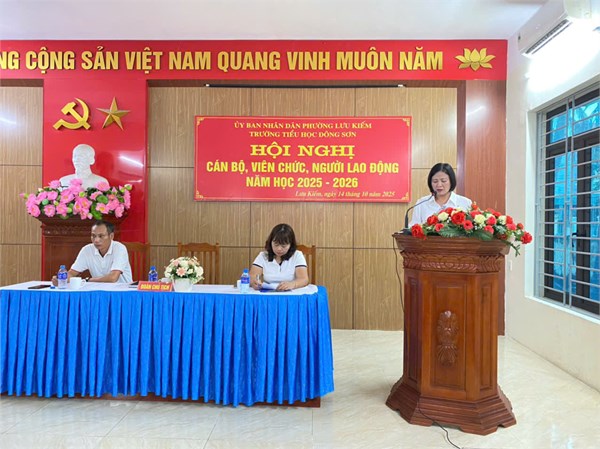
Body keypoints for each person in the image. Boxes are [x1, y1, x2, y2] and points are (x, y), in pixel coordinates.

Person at [52, 220, 132, 285]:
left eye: (101, 236)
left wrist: (88, 280)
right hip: (97, 291)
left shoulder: (119, 248)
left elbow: (113, 278)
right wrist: (61, 279)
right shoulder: (87, 250)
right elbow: (72, 273)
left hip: (122, 292)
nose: (96, 240)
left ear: (111, 236)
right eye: (93, 236)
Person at [408, 162, 472, 226]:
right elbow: (413, 227)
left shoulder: (465, 203)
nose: (439, 185)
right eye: (435, 181)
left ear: (451, 181)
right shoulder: (421, 203)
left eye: (443, 181)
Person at [249, 223, 310, 291]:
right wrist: (254, 282)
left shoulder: (297, 255)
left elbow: (303, 279)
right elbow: (252, 276)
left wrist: (292, 284)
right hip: (268, 293)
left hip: (291, 293)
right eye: (276, 245)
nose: (279, 249)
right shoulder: (263, 256)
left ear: (291, 245)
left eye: (283, 246)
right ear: (270, 242)